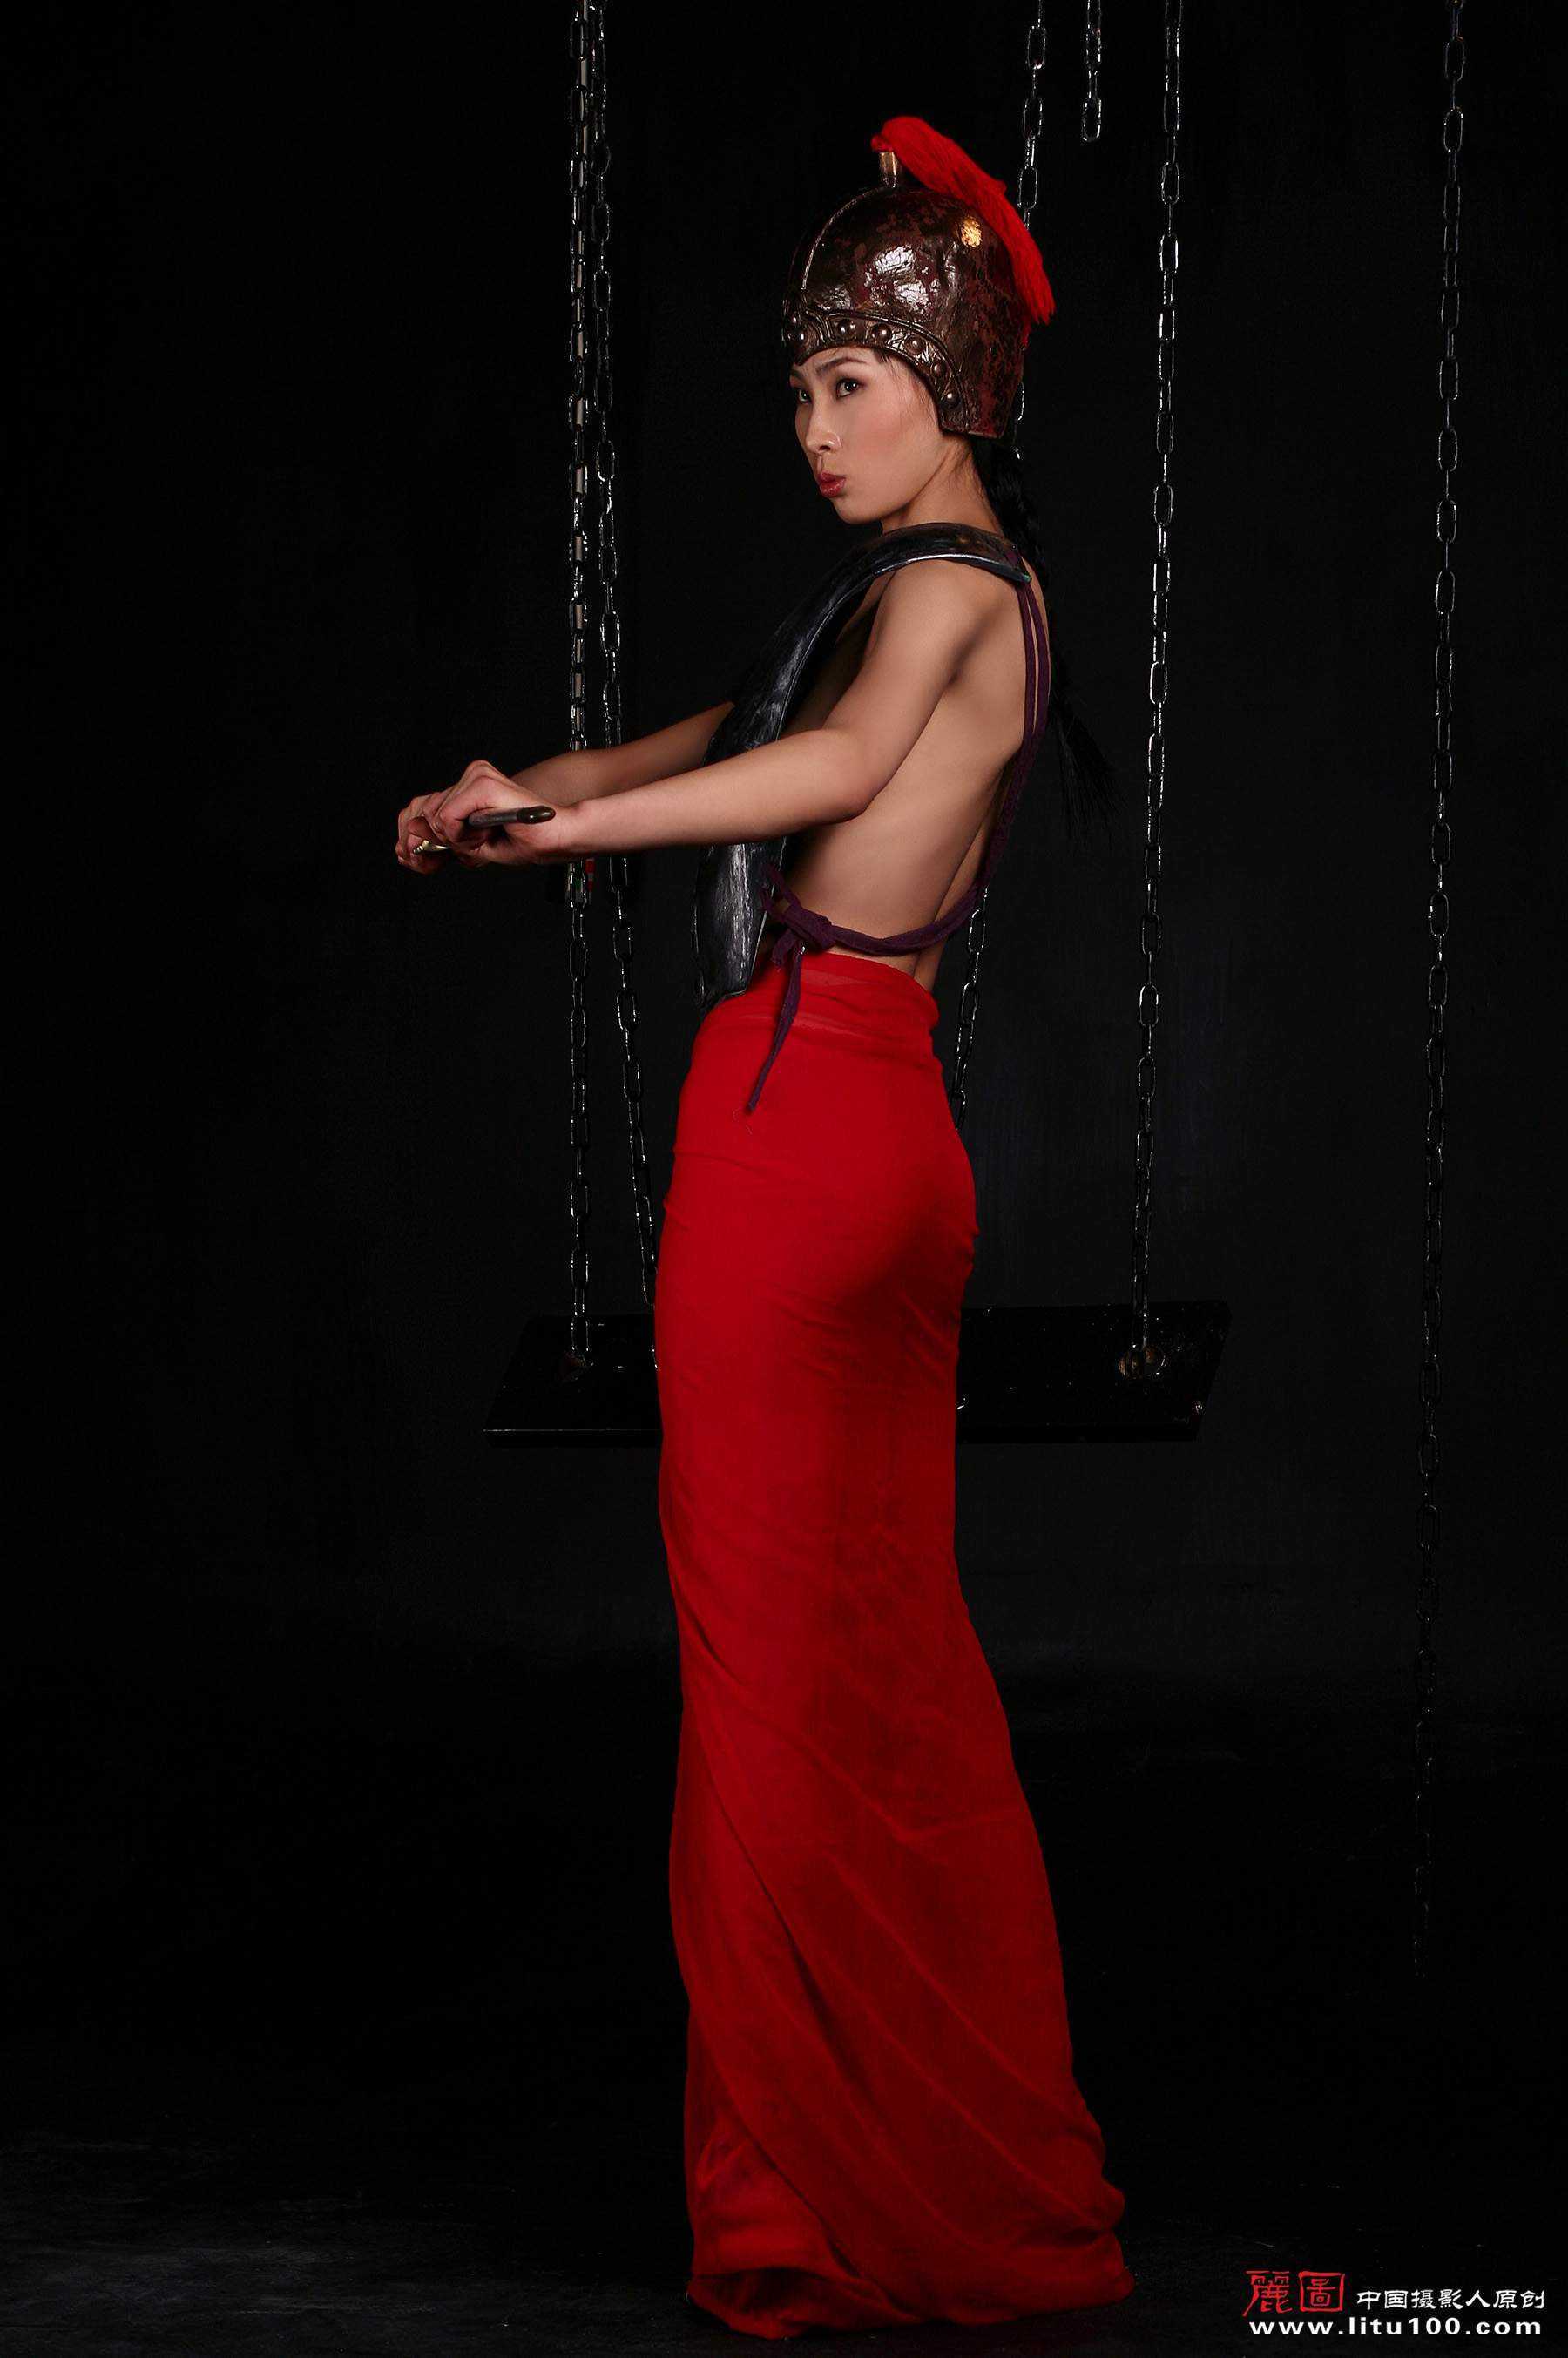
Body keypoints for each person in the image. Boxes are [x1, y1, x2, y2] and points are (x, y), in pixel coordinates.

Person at [395, 115, 1135, 2340]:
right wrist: (535, 784)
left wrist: (553, 851)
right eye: (801, 388)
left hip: (811, 1134)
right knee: (870, 1667)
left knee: (780, 1684)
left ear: (953, 382)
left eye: (850, 383)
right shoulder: (927, 598)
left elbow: (824, 775)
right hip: (866, 1122)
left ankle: (828, 2192)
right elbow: (735, 732)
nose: (815, 427)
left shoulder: (952, 590)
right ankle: (927, 2151)